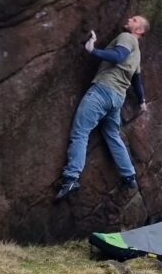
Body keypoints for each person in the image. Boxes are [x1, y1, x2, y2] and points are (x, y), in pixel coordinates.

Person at [55, 15, 149, 201]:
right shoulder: (137, 53)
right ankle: (129, 175)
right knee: (112, 135)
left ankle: (71, 178)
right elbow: (137, 81)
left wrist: (93, 50)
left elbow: (118, 56)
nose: (130, 18)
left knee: (81, 132)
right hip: (117, 99)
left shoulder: (127, 38)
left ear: (139, 31)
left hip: (102, 91)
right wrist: (142, 101)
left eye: (135, 19)